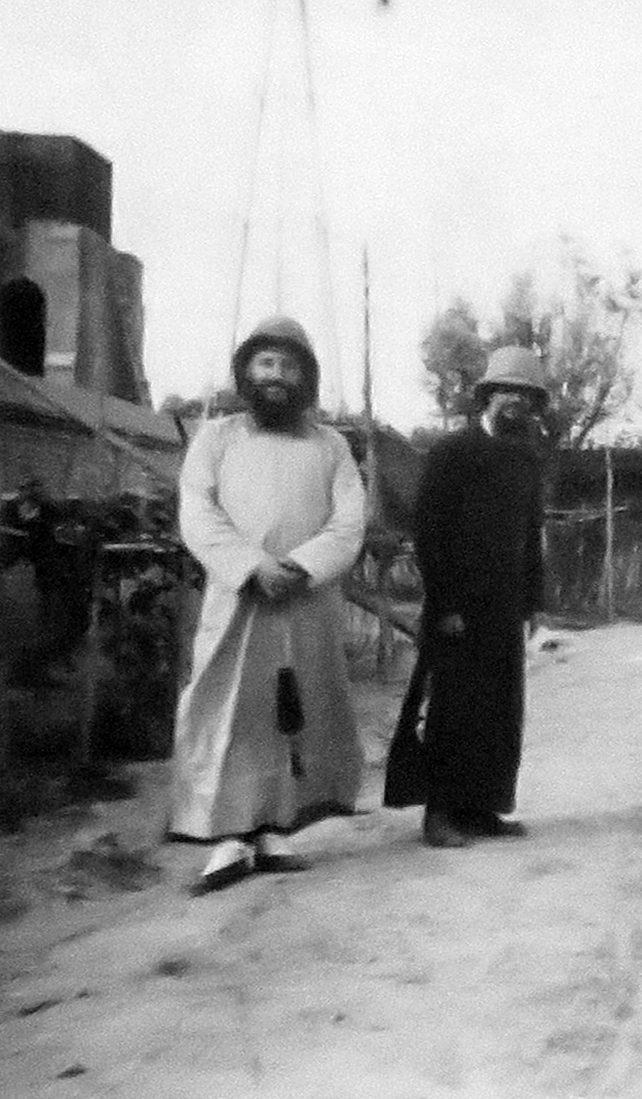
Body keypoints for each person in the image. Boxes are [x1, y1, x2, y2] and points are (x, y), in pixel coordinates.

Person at [172, 316, 367, 895]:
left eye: (288, 365)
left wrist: (301, 567)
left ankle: (276, 828)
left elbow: (349, 523)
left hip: (306, 602)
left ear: (306, 376)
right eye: (266, 363)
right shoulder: (217, 438)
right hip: (240, 596)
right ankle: (229, 835)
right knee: (232, 710)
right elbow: (197, 513)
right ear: (247, 372)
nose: (276, 375)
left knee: (294, 710)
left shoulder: (331, 446)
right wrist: (252, 565)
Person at [384, 346, 548, 847]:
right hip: (457, 606)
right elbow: (429, 533)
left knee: (499, 710)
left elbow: (531, 534)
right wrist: (446, 604)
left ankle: (482, 808)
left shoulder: (527, 459)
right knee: (451, 708)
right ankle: (439, 814)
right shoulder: (452, 453)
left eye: (526, 394)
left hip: (505, 605)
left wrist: (532, 605)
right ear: (488, 395)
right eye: (507, 391)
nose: (516, 401)